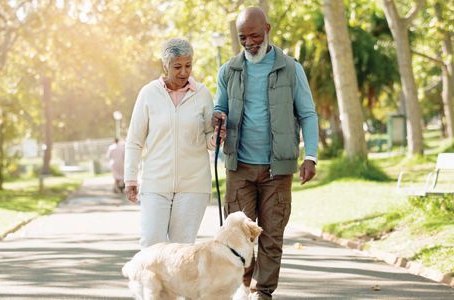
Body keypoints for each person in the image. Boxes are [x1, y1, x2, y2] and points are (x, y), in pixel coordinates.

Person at [213, 7, 319, 300]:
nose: (249, 42)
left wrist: (311, 156)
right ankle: (243, 289)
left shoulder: (290, 68)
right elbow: (219, 106)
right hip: (239, 166)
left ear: (268, 29)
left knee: (272, 235)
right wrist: (218, 117)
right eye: (242, 37)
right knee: (237, 237)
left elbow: (308, 115)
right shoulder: (228, 70)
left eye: (255, 35)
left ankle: (264, 293)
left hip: (277, 169)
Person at [124, 38, 225, 249]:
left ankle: (176, 284)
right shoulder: (149, 93)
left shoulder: (202, 94)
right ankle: (150, 284)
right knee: (151, 244)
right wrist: (130, 178)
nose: (184, 72)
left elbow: (208, 139)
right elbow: (134, 140)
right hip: (155, 183)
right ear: (165, 65)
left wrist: (217, 135)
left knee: (181, 250)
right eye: (177, 66)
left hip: (193, 185)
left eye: (188, 66)